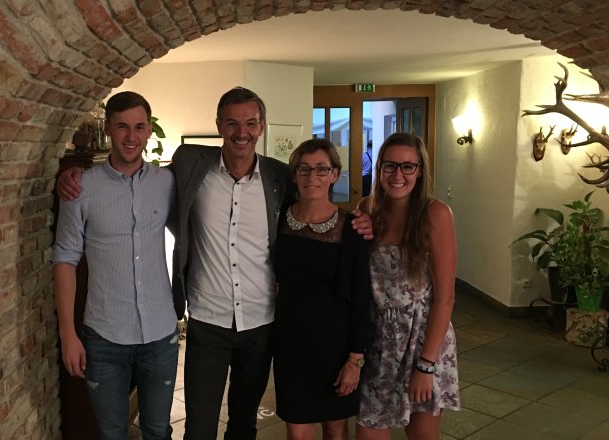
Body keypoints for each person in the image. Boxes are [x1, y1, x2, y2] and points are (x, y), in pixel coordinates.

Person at [56, 87, 375, 440]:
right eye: (233, 123)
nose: (242, 132)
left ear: (262, 126)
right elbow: (130, 182)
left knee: (243, 424)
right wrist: (70, 177)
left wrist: (360, 218)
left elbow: (313, 210)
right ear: (219, 125)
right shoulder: (191, 165)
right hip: (207, 320)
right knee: (200, 427)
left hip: (261, 321)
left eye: (251, 123)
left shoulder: (279, 178)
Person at [52, 91, 181, 440]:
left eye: (139, 127)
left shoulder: (166, 183)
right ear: (108, 128)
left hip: (159, 333)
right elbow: (64, 258)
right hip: (104, 336)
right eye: (122, 127)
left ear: (149, 131)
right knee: (110, 433)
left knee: (158, 430)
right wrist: (68, 334)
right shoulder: (81, 188)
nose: (131, 136)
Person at [356, 132, 460, 440]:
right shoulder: (367, 208)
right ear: (380, 169)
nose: (397, 175)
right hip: (378, 342)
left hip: (421, 341)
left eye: (407, 167)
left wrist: (426, 366)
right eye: (390, 166)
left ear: (420, 170)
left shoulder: (436, 214)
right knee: (369, 429)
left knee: (421, 436)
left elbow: (445, 298)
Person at [273, 138, 371, 440]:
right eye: (304, 169)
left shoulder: (353, 228)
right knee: (297, 428)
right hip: (290, 342)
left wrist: (355, 359)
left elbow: (361, 298)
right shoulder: (278, 217)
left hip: (335, 346)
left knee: (335, 427)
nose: (312, 177)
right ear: (294, 174)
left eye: (321, 169)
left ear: (335, 174)